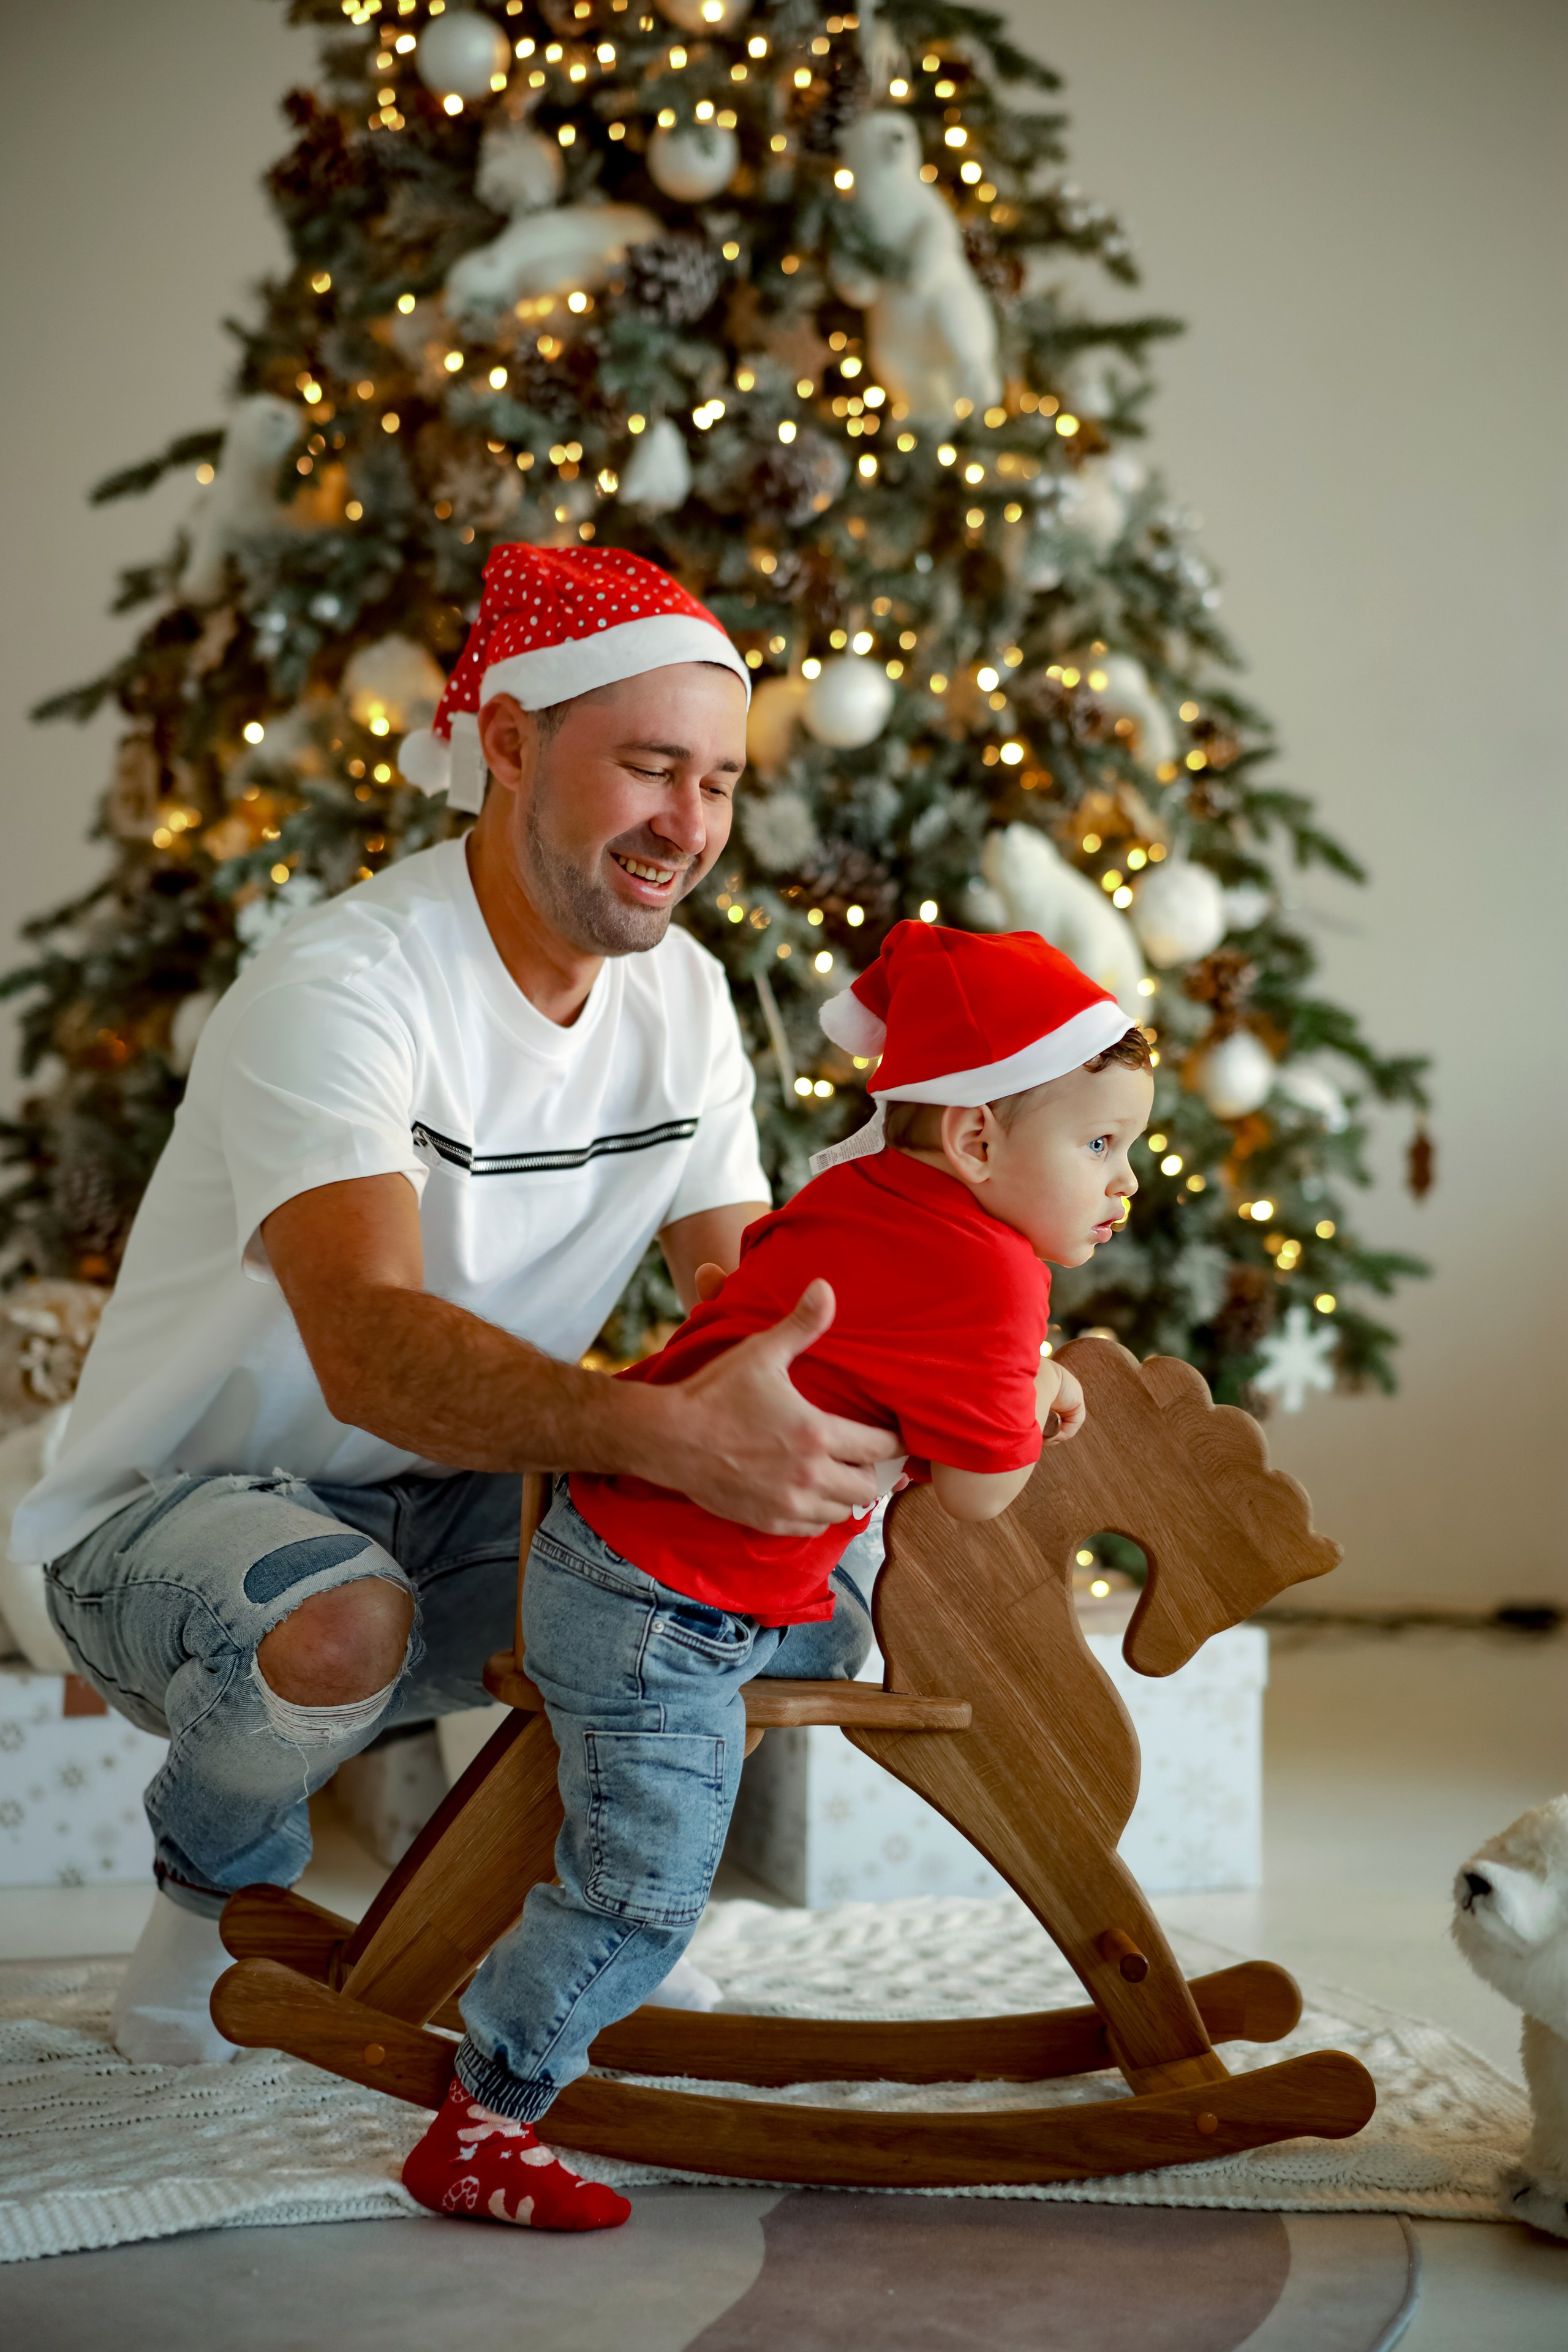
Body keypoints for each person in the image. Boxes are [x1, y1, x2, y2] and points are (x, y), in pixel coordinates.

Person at [15, 545, 900, 2065]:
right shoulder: (345, 987)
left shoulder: (681, 1002)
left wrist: (962, 1350)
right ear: (506, 742)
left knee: (781, 1599)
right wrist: (664, 1436)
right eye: (645, 768)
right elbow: (366, 1346)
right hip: (178, 1515)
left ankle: (591, 1911)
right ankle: (203, 1909)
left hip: (474, 1495)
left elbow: (752, 1302)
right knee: (340, 1619)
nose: (687, 827)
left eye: (719, 783)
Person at [400, 918, 1154, 2231]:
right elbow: (980, 1493)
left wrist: (1007, 1386)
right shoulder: (991, 1272)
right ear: (975, 1139)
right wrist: (1028, 1395)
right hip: (660, 1609)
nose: (1124, 1180)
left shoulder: (869, 1190)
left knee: (836, 1639)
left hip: (640, 1557)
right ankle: (484, 2119)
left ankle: (621, 1866)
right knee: (644, 1891)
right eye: (1097, 1144)